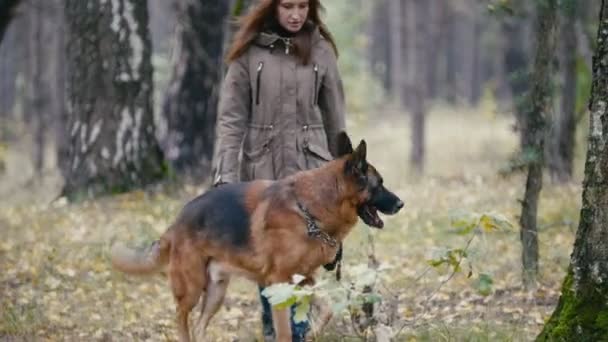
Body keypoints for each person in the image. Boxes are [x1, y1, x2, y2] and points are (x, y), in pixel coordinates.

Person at [213, 0, 346, 340]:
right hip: (261, 174)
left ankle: (297, 334)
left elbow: (336, 125)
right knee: (270, 261)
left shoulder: (321, 50)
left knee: (304, 262)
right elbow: (230, 121)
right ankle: (275, 333)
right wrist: (225, 180)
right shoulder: (247, 52)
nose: (295, 14)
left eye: (303, 6)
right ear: (271, 7)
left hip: (312, 176)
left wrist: (345, 186)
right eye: (287, 5)